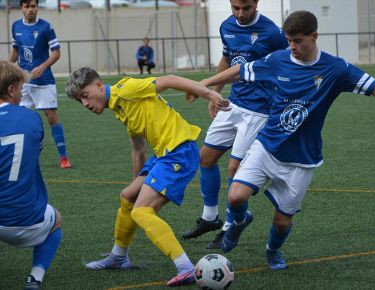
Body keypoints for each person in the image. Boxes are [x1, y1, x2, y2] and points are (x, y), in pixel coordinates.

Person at [199, 10, 375, 270]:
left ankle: (272, 250)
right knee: (235, 197)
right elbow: (239, 71)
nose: (293, 47)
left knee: (281, 222)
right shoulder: (278, 60)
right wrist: (206, 85)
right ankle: (238, 224)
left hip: (302, 159)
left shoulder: (336, 68)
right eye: (289, 41)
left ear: (314, 36)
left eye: (298, 41)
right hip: (267, 146)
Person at [65, 67, 229, 286]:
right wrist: (137, 184)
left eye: (84, 96)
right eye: (79, 101)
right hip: (163, 156)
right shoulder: (119, 107)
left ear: (97, 85)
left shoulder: (126, 89)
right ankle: (118, 256)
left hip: (178, 152)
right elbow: (138, 149)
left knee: (142, 211)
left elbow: (168, 80)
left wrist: (209, 94)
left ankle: (186, 267)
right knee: (127, 197)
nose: (85, 104)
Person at [181, 0, 289, 249]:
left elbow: (286, 66)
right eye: (236, 7)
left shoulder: (272, 33)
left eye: (246, 8)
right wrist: (214, 94)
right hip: (233, 104)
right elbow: (227, 60)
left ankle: (233, 223)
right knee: (205, 158)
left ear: (256, 3)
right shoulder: (226, 26)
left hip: (259, 111)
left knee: (234, 168)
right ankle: (210, 217)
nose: (240, 13)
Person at [0, 61, 63, 290]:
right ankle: (35, 277)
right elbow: (33, 153)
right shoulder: (31, 118)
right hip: (24, 219)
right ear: (11, 90)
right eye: (20, 87)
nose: (22, 92)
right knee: (56, 219)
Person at [8, 0, 72, 169]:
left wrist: (43, 67)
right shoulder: (15, 26)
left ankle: (63, 157)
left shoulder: (46, 27)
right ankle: (18, 155)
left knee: (51, 118)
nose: (30, 10)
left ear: (37, 7)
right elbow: (15, 51)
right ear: (21, 8)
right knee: (17, 117)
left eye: (33, 6)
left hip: (44, 82)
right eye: (27, 6)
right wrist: (6, 66)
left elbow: (56, 53)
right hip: (24, 81)